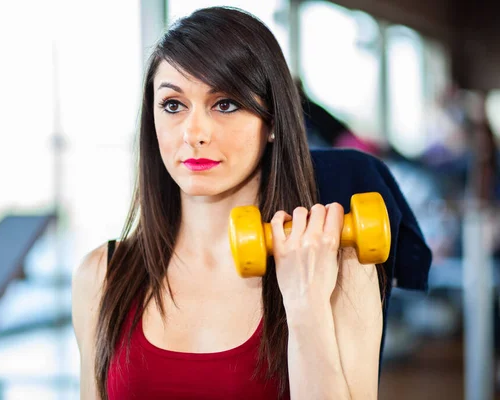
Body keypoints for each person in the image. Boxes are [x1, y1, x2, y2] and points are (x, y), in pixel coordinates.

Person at [72, 6, 384, 399]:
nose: (194, 132)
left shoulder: (343, 266)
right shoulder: (101, 275)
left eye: (225, 104)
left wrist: (306, 306)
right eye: (173, 105)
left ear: (271, 121)